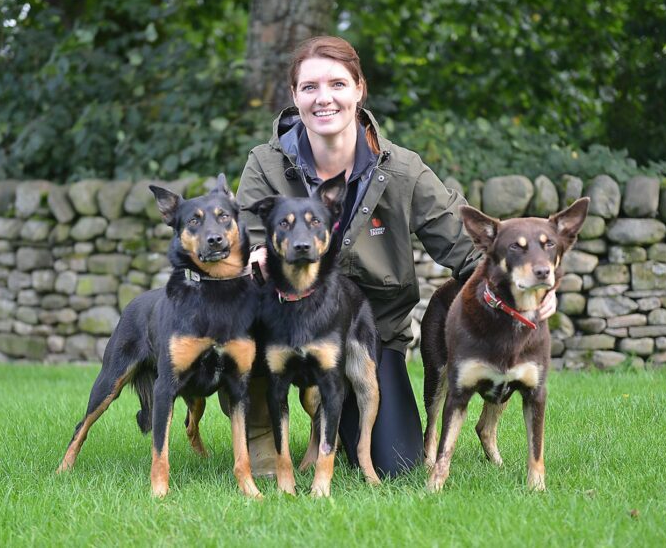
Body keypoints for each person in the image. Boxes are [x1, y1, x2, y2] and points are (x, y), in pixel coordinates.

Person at [234, 36, 557, 477]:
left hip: (371, 334)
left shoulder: (403, 169)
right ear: (294, 96)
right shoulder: (264, 165)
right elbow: (244, 236)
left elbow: (467, 251)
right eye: (309, 87)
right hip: (282, 325)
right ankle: (262, 430)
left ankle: (335, 417)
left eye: (337, 84)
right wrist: (255, 253)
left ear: (359, 89)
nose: (323, 98)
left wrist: (530, 289)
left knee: (397, 466)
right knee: (239, 298)